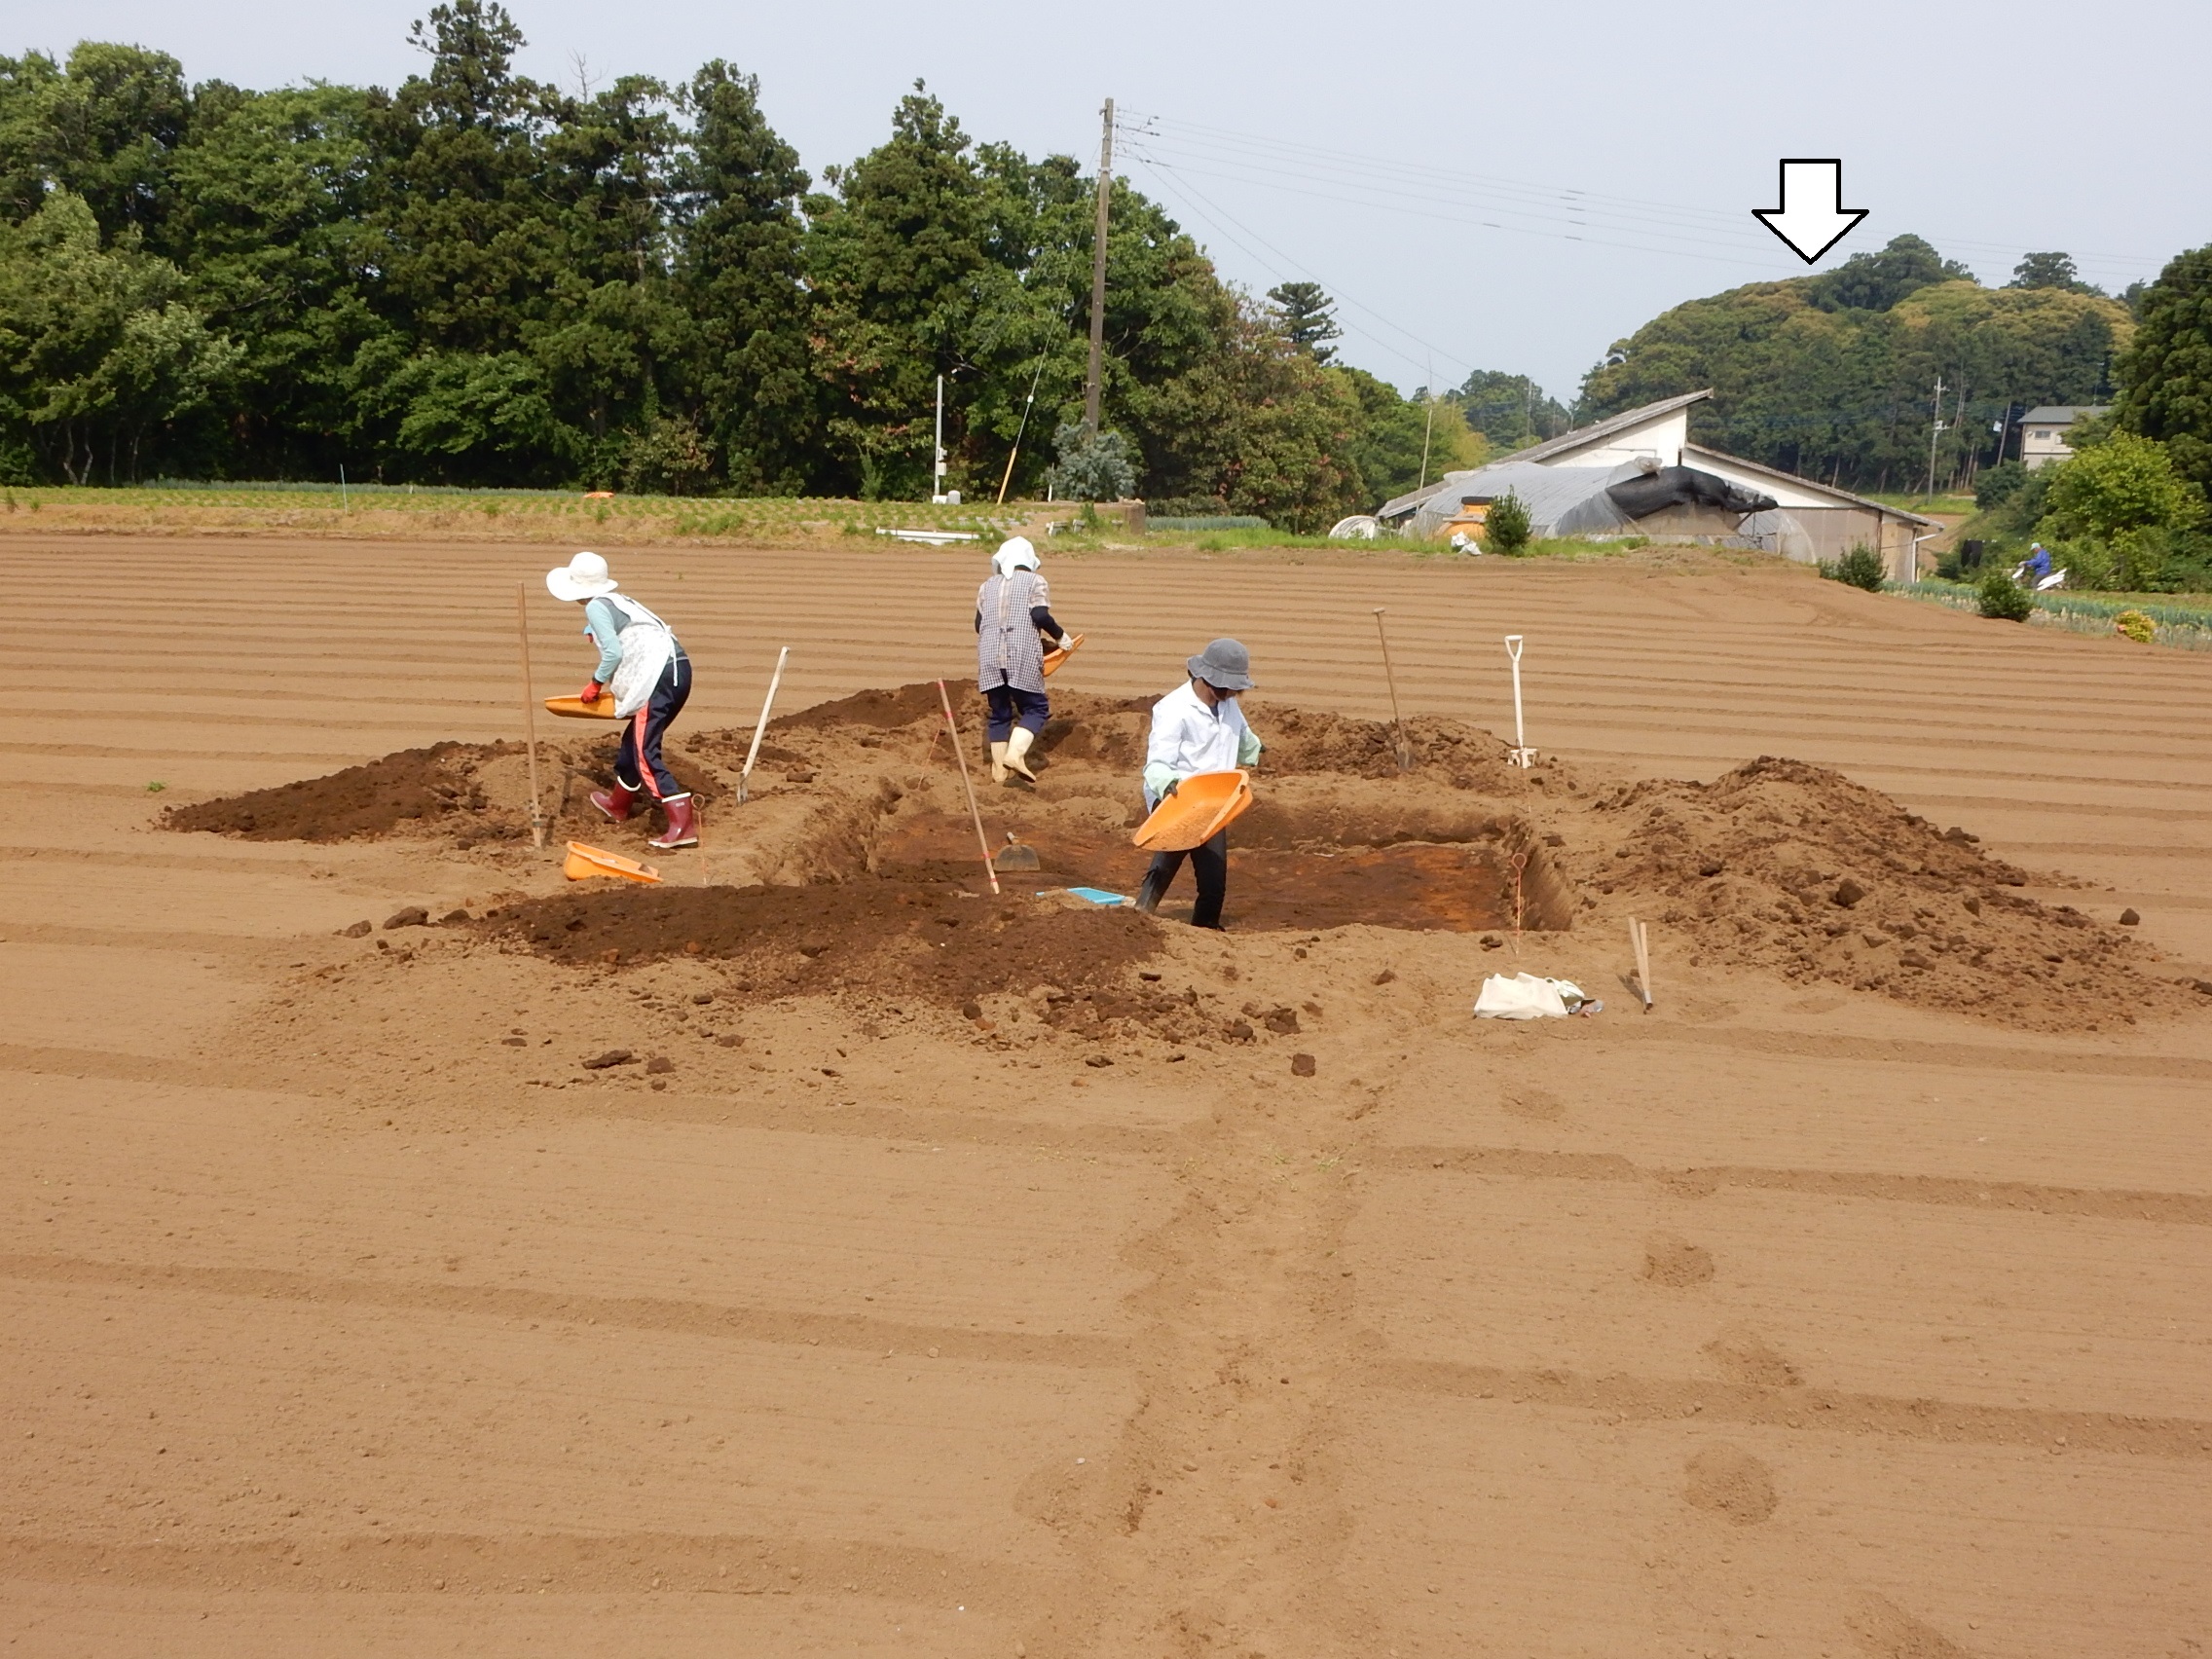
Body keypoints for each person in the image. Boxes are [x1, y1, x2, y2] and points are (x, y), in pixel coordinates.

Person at [545, 550, 697, 850]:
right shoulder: (618, 600)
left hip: (660, 677)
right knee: (634, 741)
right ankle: (618, 803)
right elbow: (634, 629)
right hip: (677, 670)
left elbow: (613, 652)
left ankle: (682, 825)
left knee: (644, 752)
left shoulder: (596, 608)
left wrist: (595, 683)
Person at [1135, 639, 1263, 929]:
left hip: (1214, 801)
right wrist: (1168, 784)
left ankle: (1206, 930)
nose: (1232, 693)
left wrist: (1254, 748)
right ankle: (1138, 921)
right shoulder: (1173, 709)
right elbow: (1157, 763)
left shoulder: (1228, 705)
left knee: (1214, 877)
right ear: (1209, 679)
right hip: (1176, 796)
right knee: (1167, 861)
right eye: (1228, 686)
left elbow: (1242, 736)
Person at [975, 536, 1074, 784]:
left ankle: (999, 771)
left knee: (999, 713)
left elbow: (979, 625)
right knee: (1035, 708)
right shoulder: (1035, 581)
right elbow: (1039, 614)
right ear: (1029, 562)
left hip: (988, 655)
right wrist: (1061, 637)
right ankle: (1015, 756)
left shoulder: (987, 586)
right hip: (1022, 654)